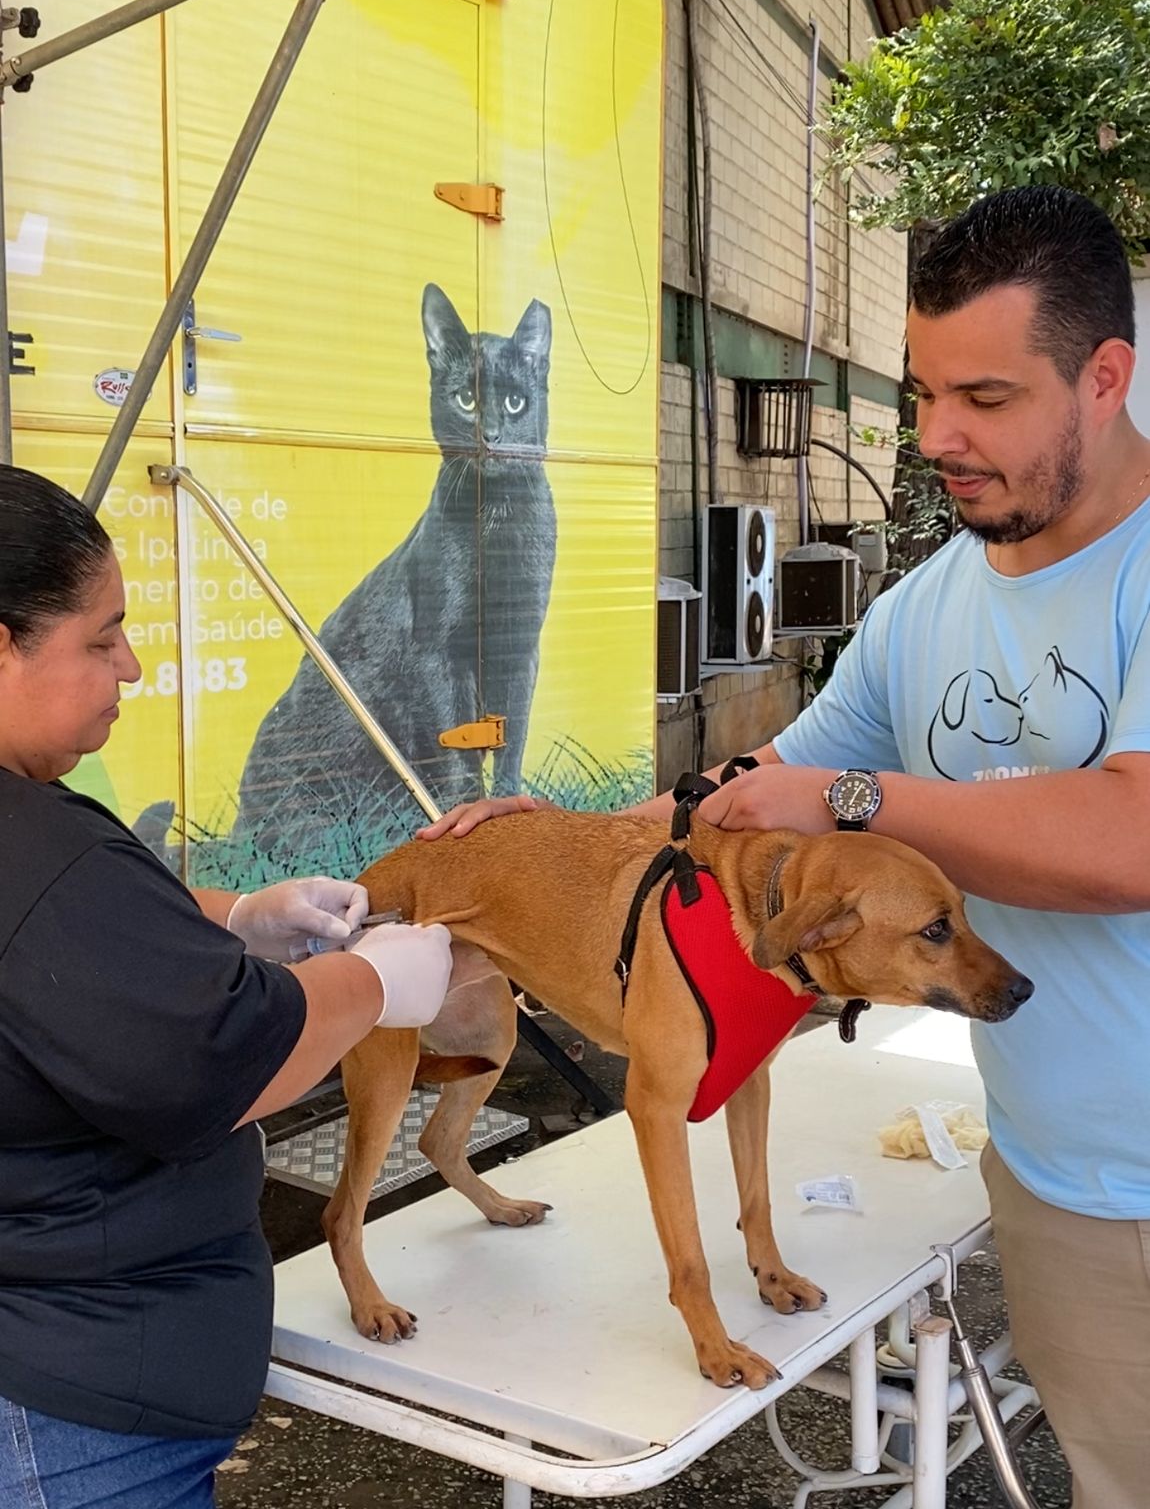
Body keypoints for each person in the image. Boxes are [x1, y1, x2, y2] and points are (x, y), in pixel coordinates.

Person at [423, 186, 1150, 1509]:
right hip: (1054, 1177)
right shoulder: (928, 603)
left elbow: (1130, 835)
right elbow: (758, 782)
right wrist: (578, 836)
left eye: (982, 400)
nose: (935, 437)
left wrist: (862, 802)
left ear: (1103, 378)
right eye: (919, 392)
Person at [0, 464, 455, 1508]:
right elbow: (211, 1064)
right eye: (100, 637)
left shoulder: (39, 847)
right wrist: (370, 982)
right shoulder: (33, 850)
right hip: (71, 1422)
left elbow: (67, 942)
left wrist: (238, 915)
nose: (134, 664)